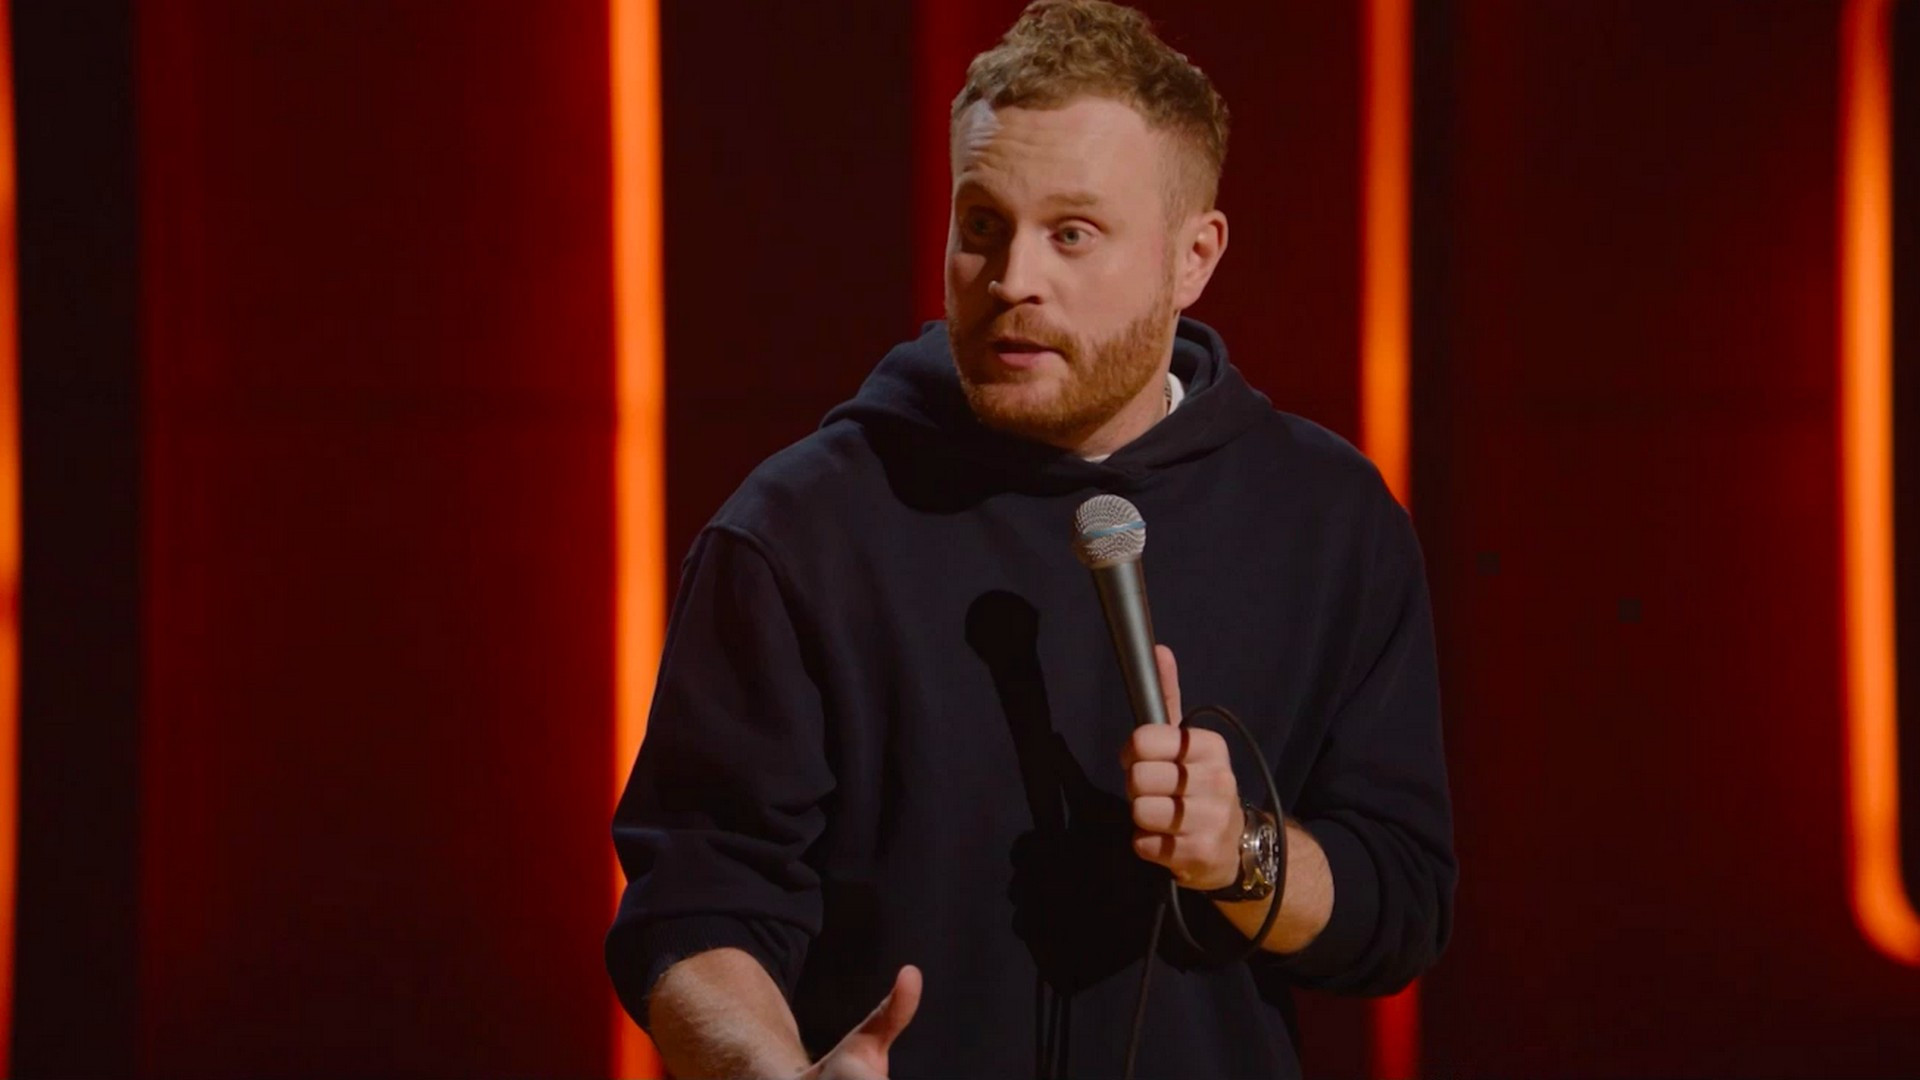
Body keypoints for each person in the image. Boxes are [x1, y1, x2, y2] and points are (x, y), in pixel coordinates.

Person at [606, 2, 1455, 1076]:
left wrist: (1239, 851)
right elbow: (696, 905)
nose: (1013, 280)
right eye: (982, 226)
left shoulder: (1328, 522)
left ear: (1192, 258)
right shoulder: (799, 531)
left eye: (1072, 233)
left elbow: (1402, 903)